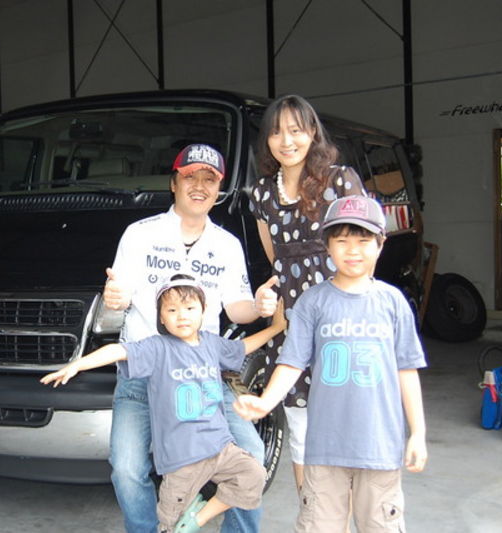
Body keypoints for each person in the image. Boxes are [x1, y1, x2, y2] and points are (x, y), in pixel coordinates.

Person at [103, 143, 279, 533]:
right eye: (190, 177)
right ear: (174, 183)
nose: (199, 186)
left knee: (251, 454)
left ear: (219, 189)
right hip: (142, 377)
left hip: (203, 377)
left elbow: (236, 308)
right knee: (127, 468)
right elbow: (119, 298)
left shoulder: (227, 245)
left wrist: (259, 306)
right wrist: (115, 299)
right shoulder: (140, 234)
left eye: (209, 179)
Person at [234, 195, 428, 532]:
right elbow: (292, 362)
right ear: (327, 246)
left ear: (381, 244)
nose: (353, 250)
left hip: (379, 448)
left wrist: (418, 433)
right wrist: (265, 402)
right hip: (324, 449)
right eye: (342, 241)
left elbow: (406, 370)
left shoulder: (393, 302)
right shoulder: (312, 302)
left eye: (363, 240)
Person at [42, 275, 286, 532]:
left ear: (204, 310)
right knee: (169, 525)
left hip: (220, 447)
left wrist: (276, 328)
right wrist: (77, 365)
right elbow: (118, 351)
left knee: (253, 475)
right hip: (182, 460)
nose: (182, 316)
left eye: (190, 308)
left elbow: (243, 347)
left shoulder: (212, 344)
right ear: (161, 317)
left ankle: (199, 518)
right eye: (172, 310)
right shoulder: (157, 348)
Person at [249, 94, 368, 491]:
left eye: (296, 130)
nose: (287, 141)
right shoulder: (262, 193)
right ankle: (311, 511)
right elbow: (277, 259)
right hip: (292, 321)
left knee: (345, 423)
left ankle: (344, 510)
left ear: (313, 132)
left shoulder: (340, 180)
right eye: (276, 132)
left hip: (340, 318)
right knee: (300, 425)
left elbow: (363, 250)